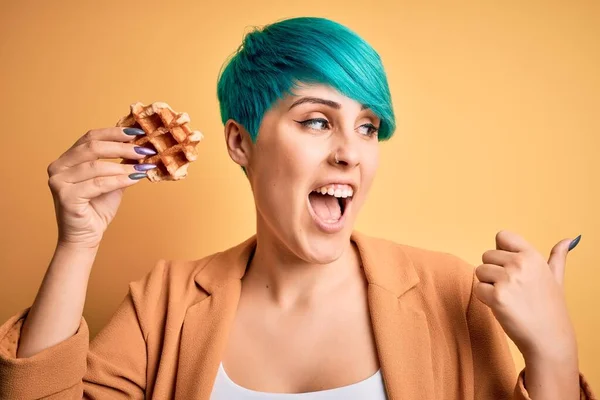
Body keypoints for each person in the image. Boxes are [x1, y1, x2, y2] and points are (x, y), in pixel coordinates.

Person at [0, 16, 594, 400]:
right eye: (316, 120)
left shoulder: (451, 293)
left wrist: (554, 350)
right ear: (240, 141)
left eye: (368, 127)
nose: (350, 154)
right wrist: (78, 244)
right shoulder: (167, 304)